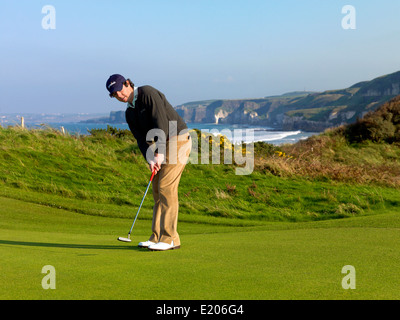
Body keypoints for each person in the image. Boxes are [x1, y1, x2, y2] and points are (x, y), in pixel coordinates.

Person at [106, 74, 191, 251]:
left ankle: (170, 239)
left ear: (128, 83)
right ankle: (156, 237)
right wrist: (151, 158)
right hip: (162, 144)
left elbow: (161, 123)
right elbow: (140, 139)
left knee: (166, 186)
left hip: (177, 138)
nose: (119, 95)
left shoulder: (147, 93)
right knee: (157, 189)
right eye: (114, 95)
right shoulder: (130, 112)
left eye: (120, 90)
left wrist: (159, 152)